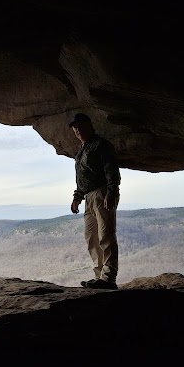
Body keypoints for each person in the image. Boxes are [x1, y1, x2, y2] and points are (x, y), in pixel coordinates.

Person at [69, 112, 121, 290]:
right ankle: (99, 276)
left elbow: (111, 170)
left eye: (80, 126)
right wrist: (77, 197)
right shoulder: (81, 150)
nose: (78, 130)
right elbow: (81, 178)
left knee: (106, 235)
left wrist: (111, 192)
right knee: (92, 238)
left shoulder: (101, 145)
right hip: (88, 197)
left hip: (102, 192)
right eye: (75, 128)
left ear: (90, 125)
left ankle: (108, 278)